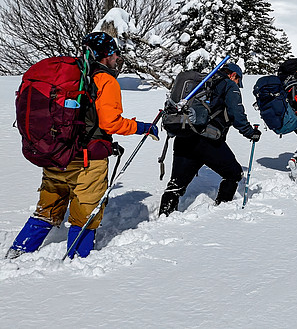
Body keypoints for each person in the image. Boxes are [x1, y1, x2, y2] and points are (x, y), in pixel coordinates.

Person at [6, 32, 159, 259]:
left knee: (47, 207)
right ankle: (77, 262)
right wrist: (142, 127)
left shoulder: (74, 76)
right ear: (106, 55)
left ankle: (18, 252)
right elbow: (110, 123)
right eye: (115, 53)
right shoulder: (105, 80)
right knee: (86, 212)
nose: (117, 57)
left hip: (57, 152)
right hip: (87, 161)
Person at [159, 62, 261, 216]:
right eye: (238, 80)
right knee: (233, 174)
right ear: (233, 75)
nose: (237, 84)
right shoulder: (228, 85)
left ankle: (164, 217)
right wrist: (250, 132)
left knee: (177, 183)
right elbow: (236, 113)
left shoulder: (203, 83)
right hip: (207, 141)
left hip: (184, 135)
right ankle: (220, 212)